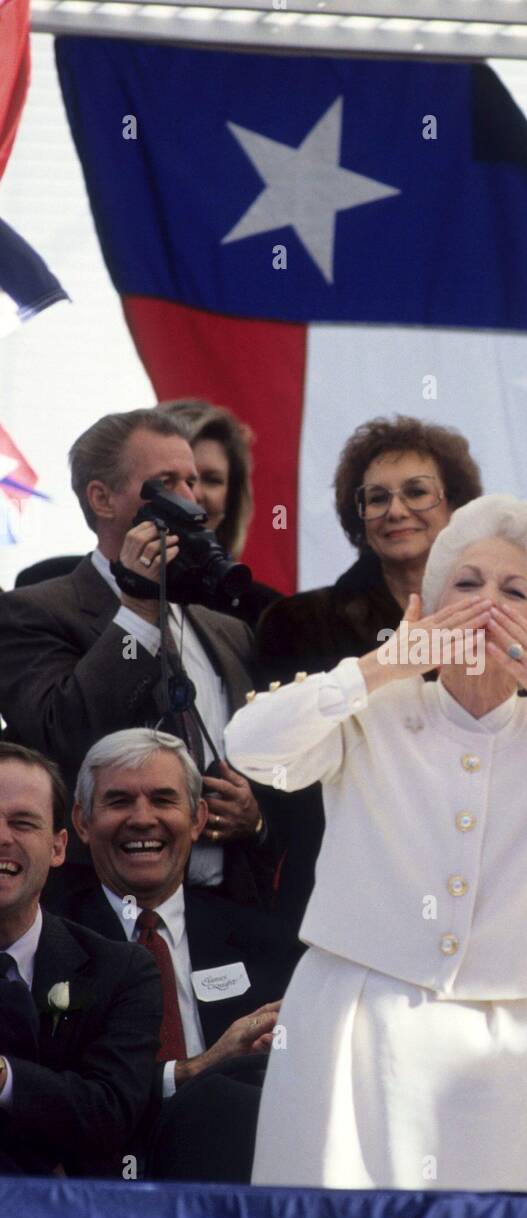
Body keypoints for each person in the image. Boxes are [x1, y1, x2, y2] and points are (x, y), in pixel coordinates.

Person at [226, 494, 527, 1192]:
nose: (485, 605)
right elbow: (250, 745)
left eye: (513, 593)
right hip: (348, 1016)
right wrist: (382, 665)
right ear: (429, 605)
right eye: (466, 584)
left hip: (493, 1042)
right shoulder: (372, 708)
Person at [0, 408, 279, 910]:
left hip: (224, 914)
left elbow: (271, 764)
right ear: (102, 498)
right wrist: (136, 608)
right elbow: (62, 735)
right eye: (166, 483)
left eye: (193, 482)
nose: (191, 501)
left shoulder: (228, 631)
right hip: (93, 920)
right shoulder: (31, 613)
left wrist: (255, 815)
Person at [256, 414, 484, 938]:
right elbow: (283, 774)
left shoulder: (497, 620)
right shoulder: (299, 623)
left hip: (473, 886)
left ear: (454, 505)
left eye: (416, 492)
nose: (395, 510)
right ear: (358, 515)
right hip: (342, 886)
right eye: (376, 498)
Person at [67, 729, 297, 1118]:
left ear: (197, 819)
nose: (142, 819)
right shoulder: (44, 943)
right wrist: (195, 1070)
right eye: (119, 801)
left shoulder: (268, 945)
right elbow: (51, 1090)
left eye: (163, 799)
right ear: (83, 821)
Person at [0, 744, 161, 1176]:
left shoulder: (122, 971)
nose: (2, 837)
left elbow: (109, 1114)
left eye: (22, 822)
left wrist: (3, 1078)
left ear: (58, 847)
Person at [159, 397, 283, 629]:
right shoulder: (85, 590)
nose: (193, 494)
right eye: (173, 479)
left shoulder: (268, 613)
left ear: (231, 500)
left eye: (211, 480)